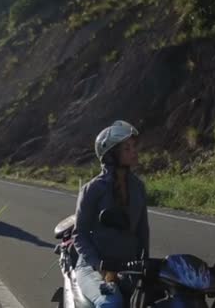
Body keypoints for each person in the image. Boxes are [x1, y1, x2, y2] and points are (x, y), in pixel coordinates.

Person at [73, 120, 150, 308]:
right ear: (111, 153)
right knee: (111, 302)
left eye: (133, 146)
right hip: (93, 266)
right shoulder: (93, 189)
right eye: (127, 148)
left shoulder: (138, 187)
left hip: (129, 267)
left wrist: (147, 265)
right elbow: (79, 234)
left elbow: (142, 232)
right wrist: (100, 265)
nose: (134, 151)